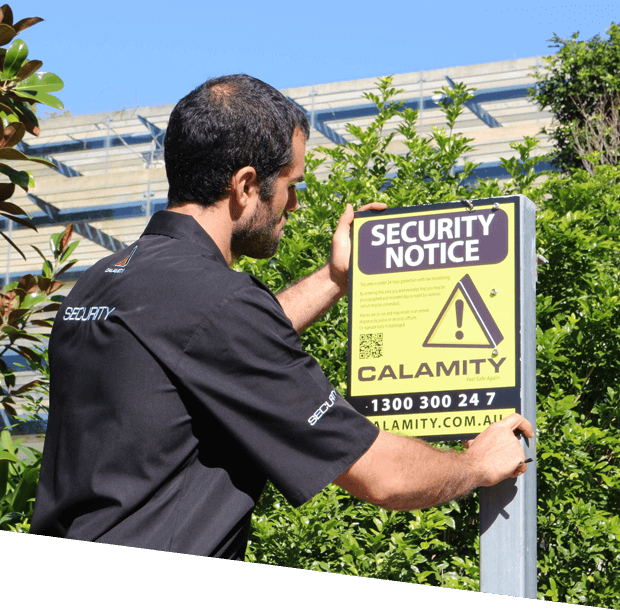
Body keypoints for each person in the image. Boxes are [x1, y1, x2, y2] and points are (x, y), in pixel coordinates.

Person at [30, 74, 533, 557]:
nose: (294, 202)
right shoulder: (216, 300)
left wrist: (334, 279)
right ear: (246, 185)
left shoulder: (102, 280)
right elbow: (380, 475)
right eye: (290, 182)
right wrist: (474, 464)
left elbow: (208, 346)